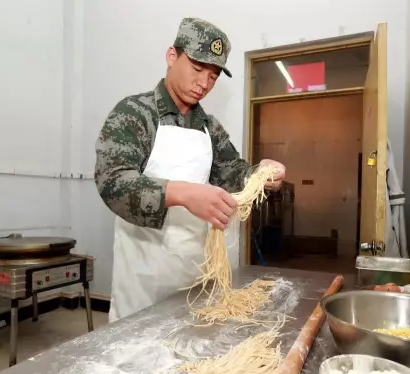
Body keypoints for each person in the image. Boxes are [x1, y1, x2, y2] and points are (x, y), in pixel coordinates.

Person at [94, 17, 286, 322]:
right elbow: (113, 182)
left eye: (213, 76)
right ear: (172, 56)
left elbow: (232, 173)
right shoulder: (135, 114)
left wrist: (260, 174)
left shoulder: (209, 127)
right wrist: (182, 193)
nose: (204, 84)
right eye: (197, 69)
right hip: (143, 278)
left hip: (196, 273)